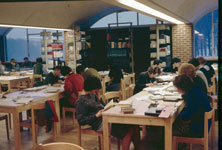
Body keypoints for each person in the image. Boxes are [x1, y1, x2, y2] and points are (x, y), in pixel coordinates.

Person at [76, 76, 140, 150]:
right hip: (98, 123)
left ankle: (138, 147)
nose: (97, 91)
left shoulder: (92, 95)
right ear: (91, 88)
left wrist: (100, 99)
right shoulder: (81, 101)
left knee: (134, 125)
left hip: (106, 118)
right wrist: (96, 116)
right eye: (96, 89)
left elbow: (103, 106)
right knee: (128, 130)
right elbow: (81, 120)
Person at [173, 75, 212, 148]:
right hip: (203, 124)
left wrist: (179, 114)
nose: (177, 90)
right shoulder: (196, 90)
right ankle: (181, 146)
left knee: (169, 129)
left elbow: (186, 117)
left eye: (177, 88)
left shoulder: (193, 96)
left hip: (198, 129)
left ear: (182, 87)